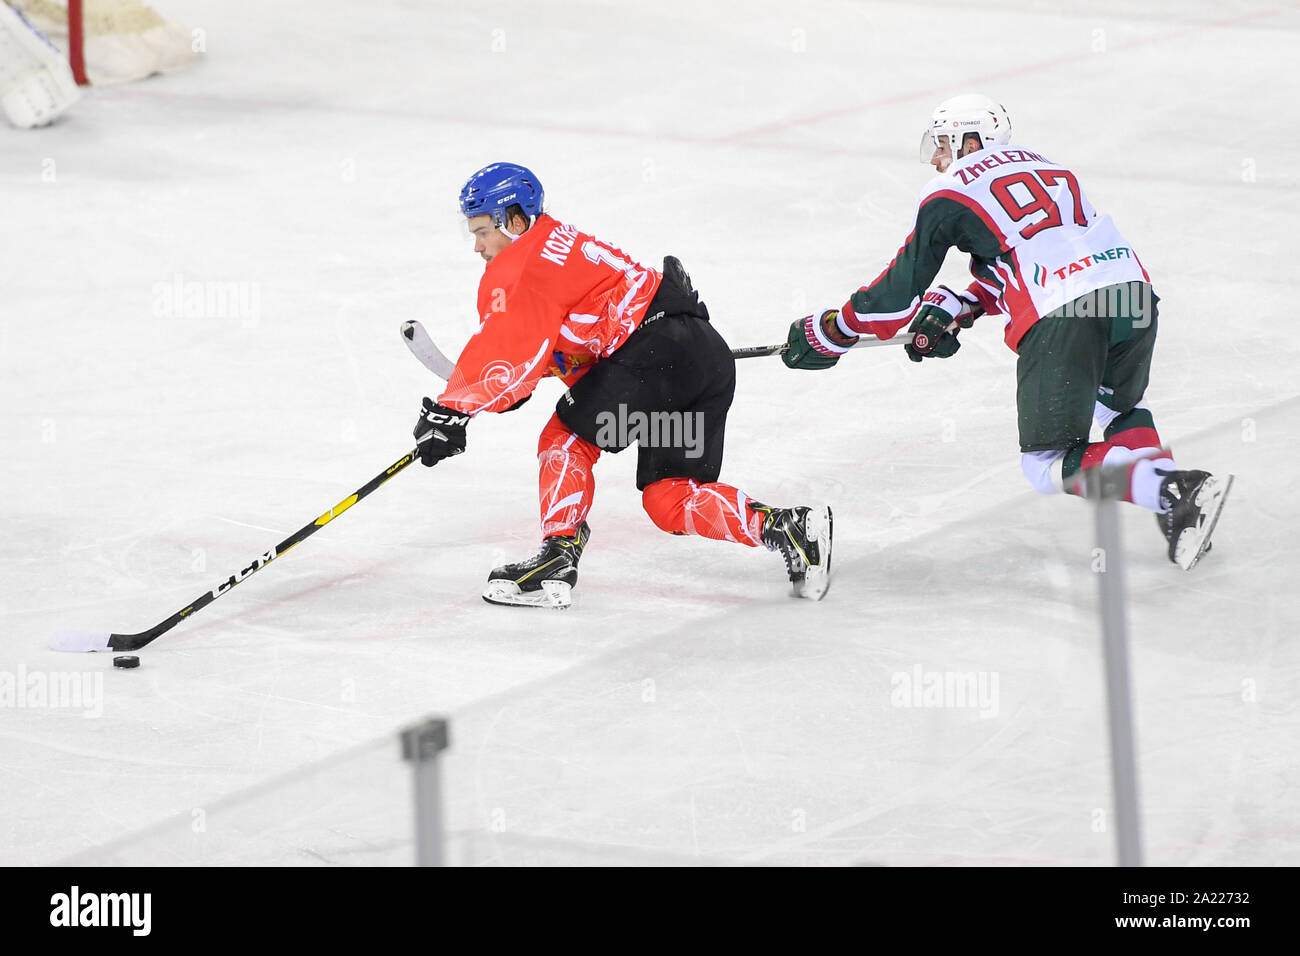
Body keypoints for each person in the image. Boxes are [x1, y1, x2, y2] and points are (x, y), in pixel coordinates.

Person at [780, 94, 1230, 569]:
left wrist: (831, 331)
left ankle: (1175, 490)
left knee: (1045, 464)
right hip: (1131, 293)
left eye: (942, 143)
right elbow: (1027, 258)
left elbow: (894, 300)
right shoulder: (1048, 167)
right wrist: (960, 305)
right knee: (1118, 406)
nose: (936, 158)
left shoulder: (949, 190)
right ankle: (1180, 507)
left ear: (969, 139)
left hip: (1065, 311)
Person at [413, 163, 832, 608]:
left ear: (514, 221)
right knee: (670, 497)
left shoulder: (520, 267)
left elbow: (505, 353)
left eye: (482, 232)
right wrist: (508, 386)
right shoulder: (557, 240)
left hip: (652, 359)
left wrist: (452, 411)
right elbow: (553, 348)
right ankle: (791, 529)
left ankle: (555, 561)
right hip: (697, 360)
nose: (477, 247)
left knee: (567, 439)